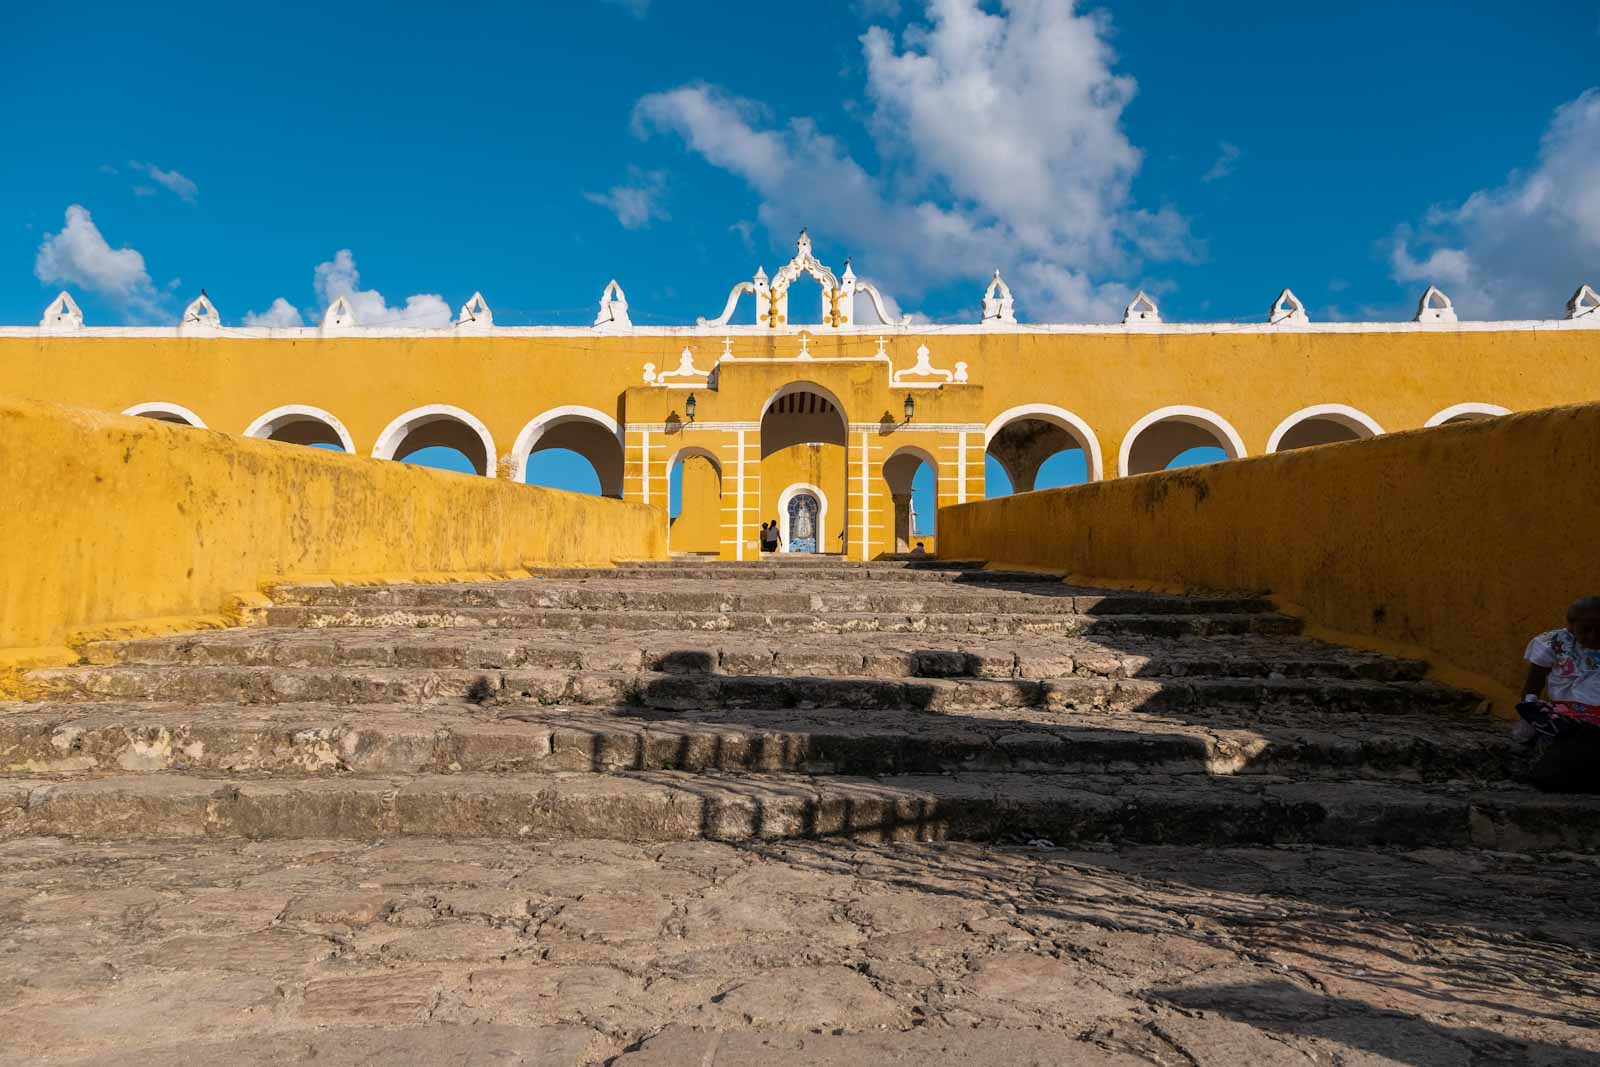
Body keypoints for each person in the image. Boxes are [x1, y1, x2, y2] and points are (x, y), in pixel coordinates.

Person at [1516, 596, 1600, 793]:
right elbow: (1534, 683)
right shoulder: (1553, 643)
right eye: (1585, 629)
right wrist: (1528, 715)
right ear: (1570, 626)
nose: (1593, 636)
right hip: (1565, 715)